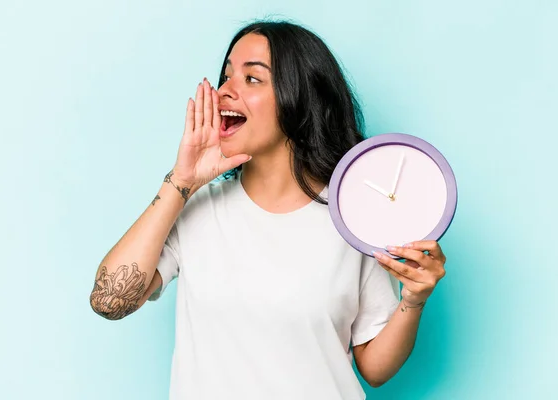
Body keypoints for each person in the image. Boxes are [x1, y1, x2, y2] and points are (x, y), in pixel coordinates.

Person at [89, 19, 447, 400]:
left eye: (252, 79)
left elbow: (375, 369)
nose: (226, 90)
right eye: (226, 76)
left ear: (299, 99)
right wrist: (181, 181)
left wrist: (414, 299)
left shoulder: (350, 217)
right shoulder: (197, 207)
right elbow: (109, 301)